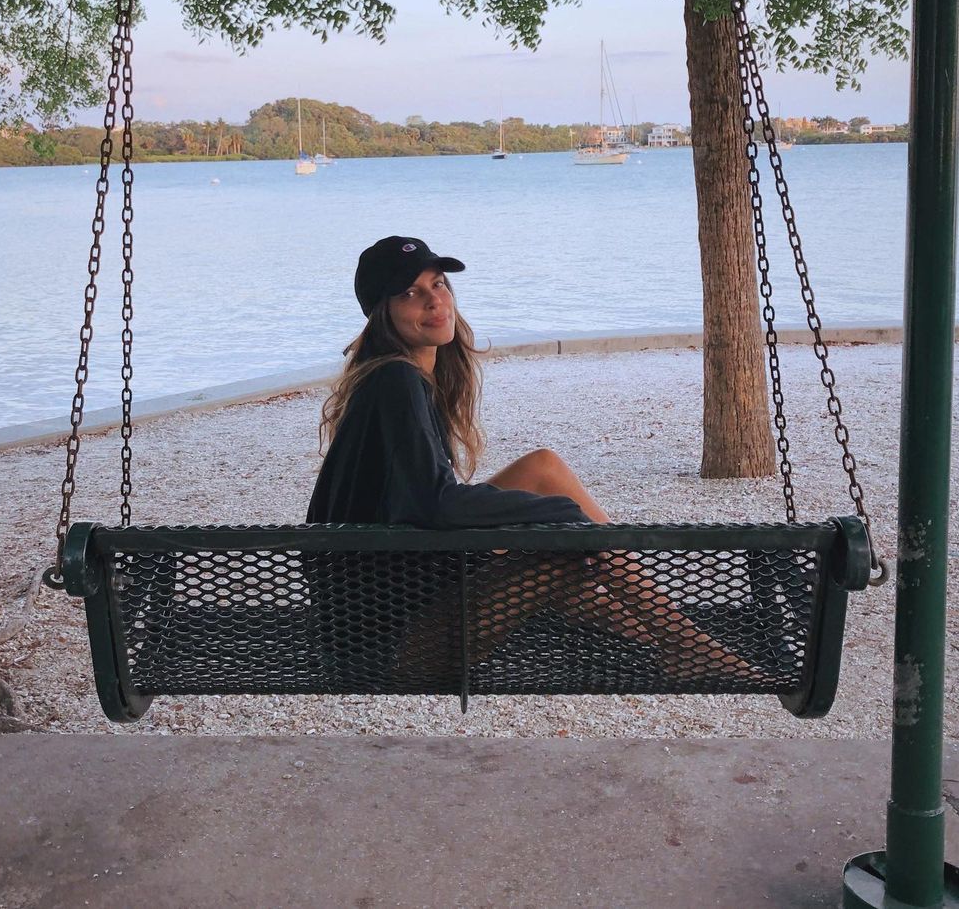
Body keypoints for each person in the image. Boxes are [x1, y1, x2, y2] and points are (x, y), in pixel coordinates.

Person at [307, 235, 758, 679]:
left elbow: (414, 509)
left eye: (438, 283)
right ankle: (688, 646)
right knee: (564, 549)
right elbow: (433, 503)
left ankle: (680, 643)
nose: (434, 300)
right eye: (410, 293)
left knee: (543, 468)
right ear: (382, 314)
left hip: (381, 615)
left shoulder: (398, 379)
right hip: (385, 646)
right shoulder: (396, 382)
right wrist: (557, 514)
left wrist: (548, 520)